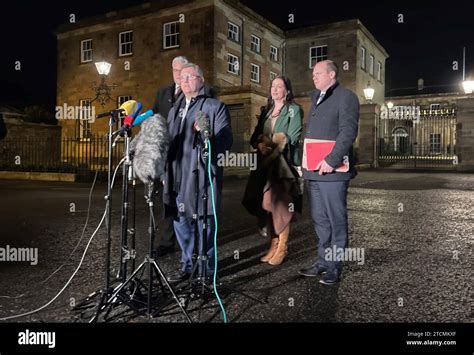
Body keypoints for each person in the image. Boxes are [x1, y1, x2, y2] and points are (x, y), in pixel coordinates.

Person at [162, 63, 233, 282]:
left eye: (190, 77)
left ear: (201, 80)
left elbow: (226, 140)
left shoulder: (214, 107)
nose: (184, 81)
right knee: (181, 221)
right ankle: (187, 265)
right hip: (177, 177)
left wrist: (208, 139)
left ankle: (207, 271)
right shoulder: (176, 109)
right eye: (181, 78)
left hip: (201, 175)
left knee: (205, 224)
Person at [298, 60, 359, 285]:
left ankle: (335, 266)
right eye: (313, 73)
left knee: (336, 220)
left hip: (333, 171)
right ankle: (323, 260)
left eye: (318, 73)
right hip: (313, 171)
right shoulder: (317, 97)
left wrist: (332, 160)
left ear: (332, 74)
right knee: (320, 220)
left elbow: (347, 131)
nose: (313, 76)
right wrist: (303, 162)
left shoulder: (346, 97)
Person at [242, 75, 303, 266]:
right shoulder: (266, 111)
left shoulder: (293, 110)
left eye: (280, 86)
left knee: (280, 205)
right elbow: (254, 138)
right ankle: (273, 243)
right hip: (263, 165)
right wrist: (260, 143)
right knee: (265, 204)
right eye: (273, 86)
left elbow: (292, 137)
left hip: (283, 165)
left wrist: (268, 142)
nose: (275, 89)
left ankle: (282, 246)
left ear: (287, 90)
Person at [152, 56, 189, 256]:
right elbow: (154, 119)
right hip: (164, 158)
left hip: (184, 158)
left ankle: (188, 241)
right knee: (166, 199)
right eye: (175, 69)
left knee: (184, 199)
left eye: (182, 69)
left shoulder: (195, 92)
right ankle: (167, 241)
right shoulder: (162, 94)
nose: (178, 73)